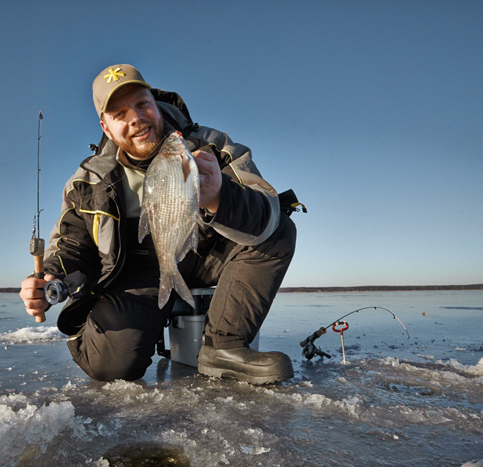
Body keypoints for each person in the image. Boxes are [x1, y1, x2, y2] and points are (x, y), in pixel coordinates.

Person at [20, 64, 298, 384]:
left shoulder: (210, 144)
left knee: (278, 229)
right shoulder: (89, 181)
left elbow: (267, 209)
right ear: (106, 128)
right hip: (136, 275)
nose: (136, 118)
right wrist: (52, 278)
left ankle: (225, 344)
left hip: (207, 252)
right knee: (111, 366)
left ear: (154, 103)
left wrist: (221, 198)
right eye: (120, 113)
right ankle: (134, 326)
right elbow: (72, 245)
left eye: (142, 104)